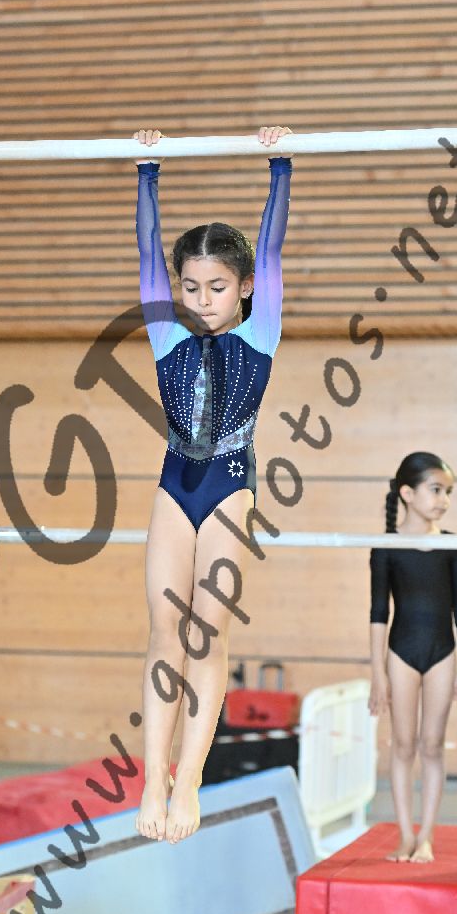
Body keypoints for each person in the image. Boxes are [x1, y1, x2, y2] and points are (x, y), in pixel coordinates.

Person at [132, 126, 293, 844]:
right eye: (190, 287)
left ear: (246, 287)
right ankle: (152, 778)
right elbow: (147, 253)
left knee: (208, 634)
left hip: (229, 489)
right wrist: (147, 173)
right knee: (164, 632)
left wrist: (280, 167)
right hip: (175, 486)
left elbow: (273, 247)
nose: (201, 300)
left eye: (218, 287)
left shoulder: (261, 333)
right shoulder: (166, 334)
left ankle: (189, 778)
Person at [368, 451, 457, 863]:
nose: (444, 500)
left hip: (443, 653)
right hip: (401, 652)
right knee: (403, 745)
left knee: (432, 745)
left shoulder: (452, 545)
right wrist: (378, 673)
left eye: (448, 492)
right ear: (407, 493)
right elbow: (379, 613)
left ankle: (426, 836)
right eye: (436, 490)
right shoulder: (386, 547)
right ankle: (404, 836)